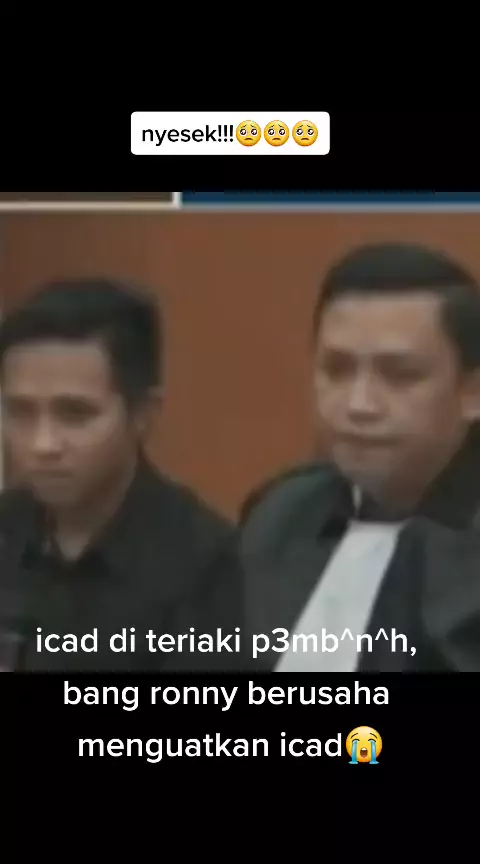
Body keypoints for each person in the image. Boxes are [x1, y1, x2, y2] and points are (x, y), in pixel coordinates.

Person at [239, 242, 480, 672]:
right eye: (337, 370)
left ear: (472, 392)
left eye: (400, 375)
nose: (359, 404)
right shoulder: (280, 514)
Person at [0, 278, 243, 671]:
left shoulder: (203, 564)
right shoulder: (8, 527)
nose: (43, 444)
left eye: (74, 414)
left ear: (143, 414)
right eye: (21, 413)